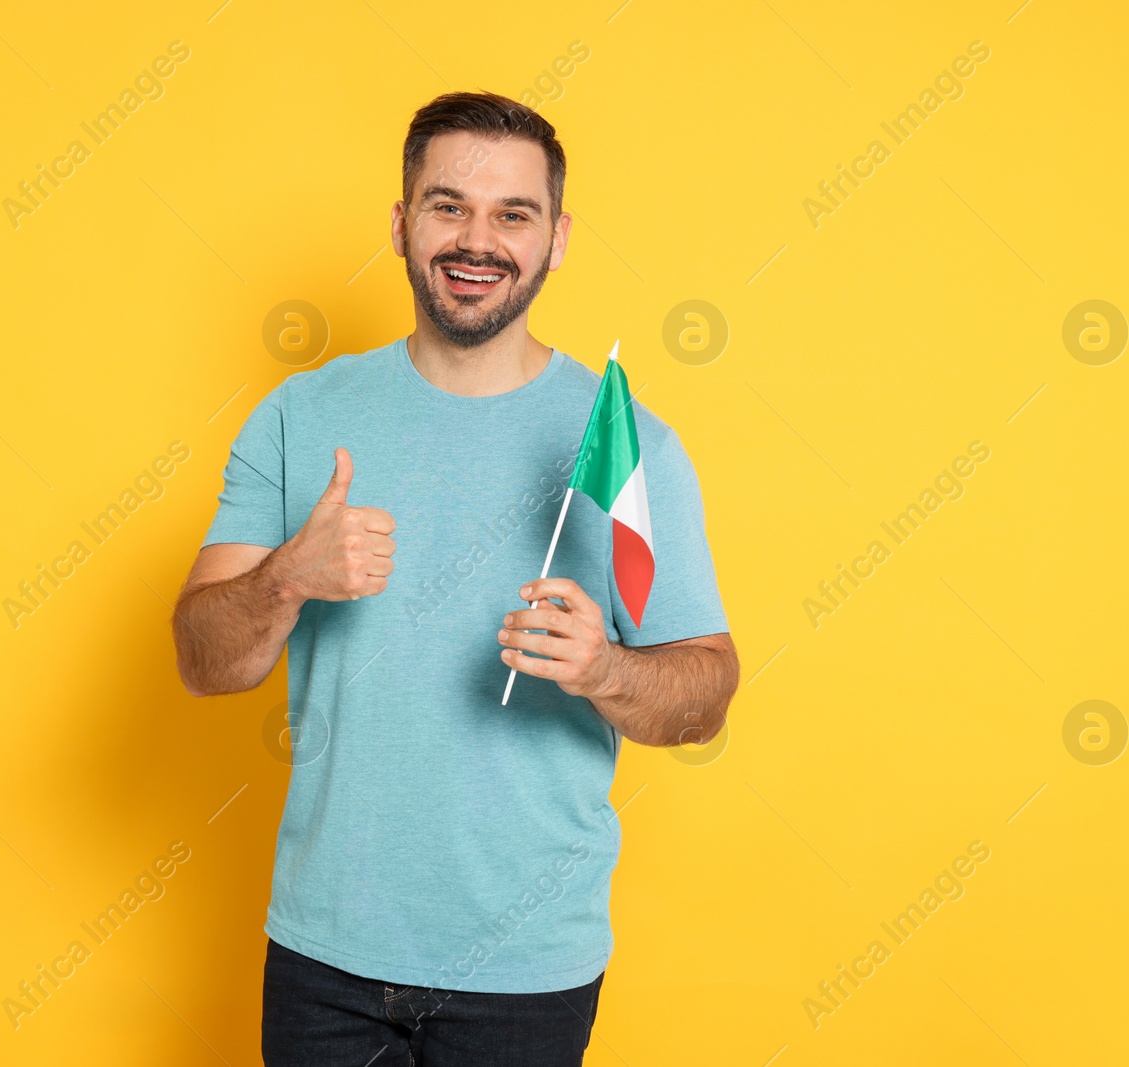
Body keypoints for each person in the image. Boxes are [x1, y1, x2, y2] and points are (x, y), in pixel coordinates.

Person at [172, 90, 738, 1067]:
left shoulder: (628, 442)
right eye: (448, 206)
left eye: (511, 214)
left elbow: (704, 697)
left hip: (526, 968)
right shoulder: (300, 412)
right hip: (324, 952)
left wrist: (604, 668)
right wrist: (285, 579)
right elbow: (200, 661)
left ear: (555, 238)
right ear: (401, 223)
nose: (477, 240)